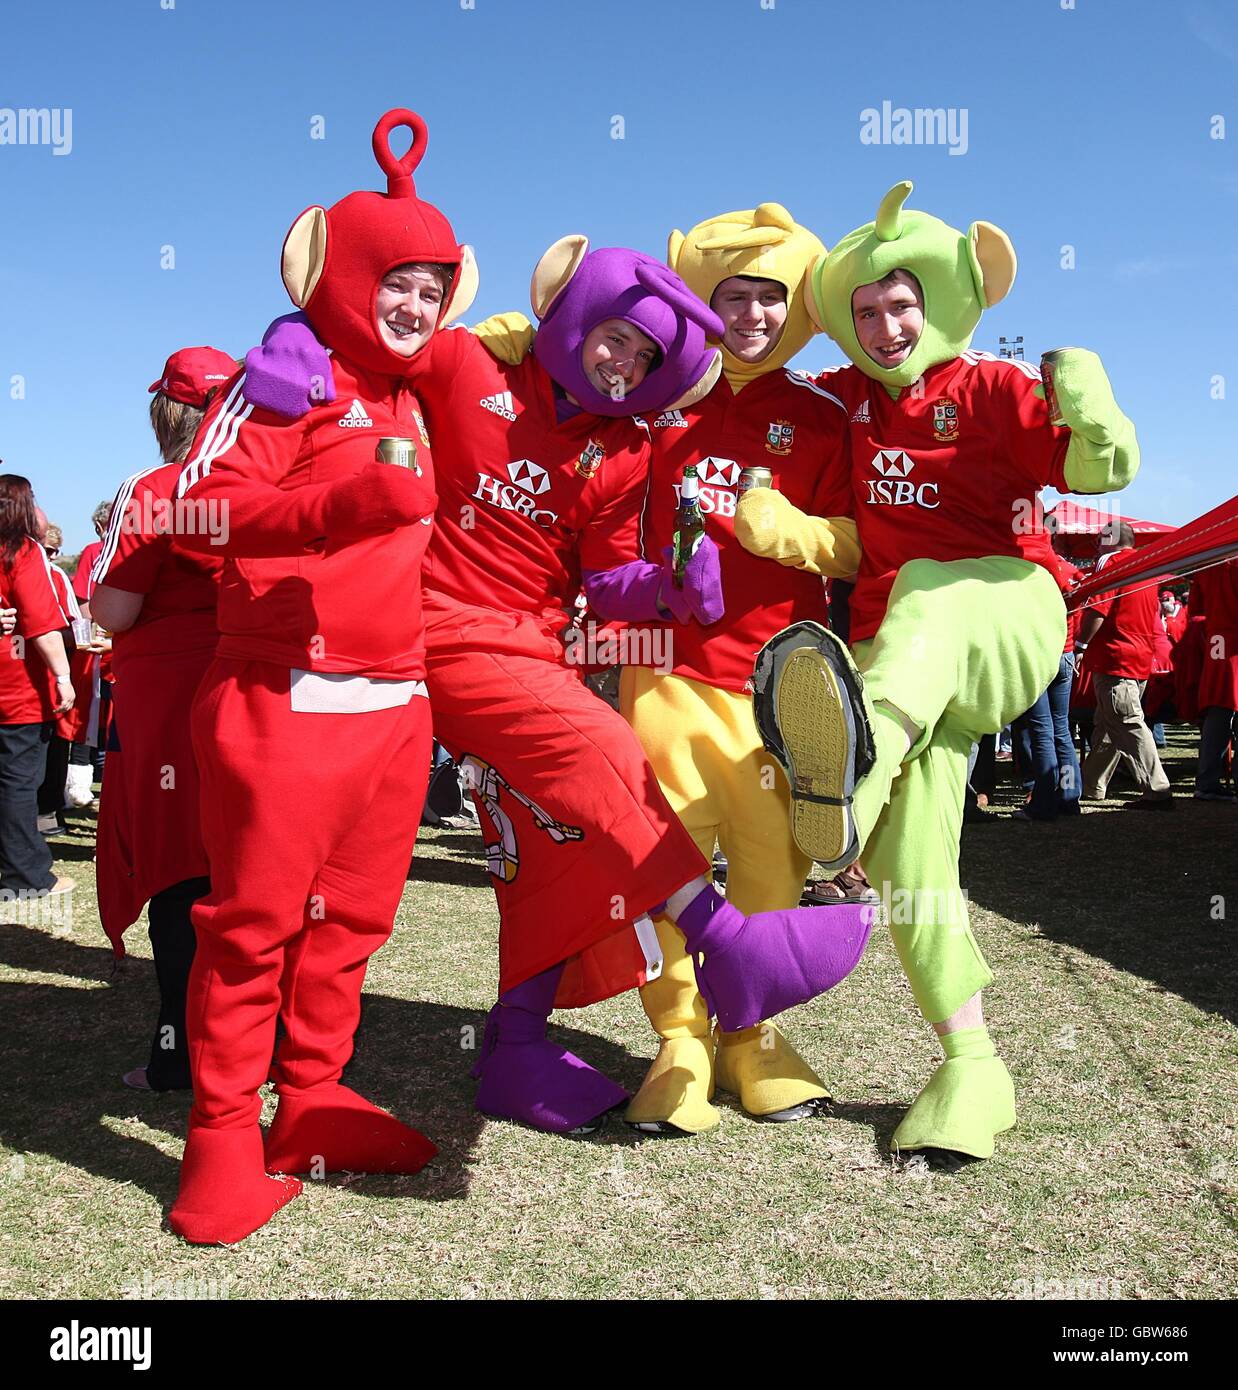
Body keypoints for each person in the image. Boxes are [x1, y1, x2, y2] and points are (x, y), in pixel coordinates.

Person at [247, 233, 876, 1138]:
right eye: (616, 337)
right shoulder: (467, 366)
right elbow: (377, 335)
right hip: (431, 627)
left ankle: (513, 1044)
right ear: (577, 317)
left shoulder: (623, 454)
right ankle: (725, 938)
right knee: (605, 751)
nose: (625, 363)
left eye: (648, 355)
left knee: (548, 846)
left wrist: (667, 585)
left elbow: (605, 578)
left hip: (532, 648)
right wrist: (294, 341)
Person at [745, 181, 1140, 1160]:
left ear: (938, 302)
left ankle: (845, 776)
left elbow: (1099, 475)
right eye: (867, 310)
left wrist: (1093, 413)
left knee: (923, 587)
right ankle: (971, 1070)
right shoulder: (843, 405)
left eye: (902, 304)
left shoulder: (989, 389)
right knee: (913, 871)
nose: (885, 325)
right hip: (911, 675)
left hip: (1005, 610)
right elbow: (759, 370)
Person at [164, 108, 479, 1245]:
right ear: (342, 276)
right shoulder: (281, 375)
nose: (414, 305)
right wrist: (335, 503)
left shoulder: (420, 392)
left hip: (395, 707)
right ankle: (215, 1143)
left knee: (350, 923)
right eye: (395, 281)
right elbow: (184, 514)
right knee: (250, 931)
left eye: (432, 288)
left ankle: (312, 1099)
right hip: (278, 700)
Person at [616, 204, 862, 1134]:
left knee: (769, 870)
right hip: (667, 675)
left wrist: (795, 535)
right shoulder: (657, 397)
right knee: (665, 865)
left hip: (778, 686)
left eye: (770, 297)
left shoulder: (825, 414)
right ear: (704, 303)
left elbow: (860, 546)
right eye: (734, 297)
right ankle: (677, 1037)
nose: (754, 314)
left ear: (795, 306)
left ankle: (752, 1037)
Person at [90, 345, 237, 1092]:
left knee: (182, 875)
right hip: (259, 691)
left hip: (171, 702)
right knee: (252, 876)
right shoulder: (269, 479)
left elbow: (112, 608)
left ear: (167, 411)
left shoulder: (153, 486)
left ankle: (179, 1059)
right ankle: (265, 1045)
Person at [0, 475, 76, 912]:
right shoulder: (20, 552)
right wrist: (63, 675)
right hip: (17, 687)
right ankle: (26, 874)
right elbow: (41, 624)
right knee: (18, 780)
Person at [1077, 523, 1172, 808]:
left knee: (1127, 724)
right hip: (1137, 658)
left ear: (1111, 539)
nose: (1096, 545)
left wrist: (1081, 645)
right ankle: (1090, 786)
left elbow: (1098, 608)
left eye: (1100, 538)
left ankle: (1157, 790)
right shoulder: (1146, 566)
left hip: (1115, 658)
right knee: (1108, 725)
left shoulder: (1110, 564)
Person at [1190, 557, 1238, 800]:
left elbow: (1195, 612)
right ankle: (1209, 782)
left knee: (1217, 715)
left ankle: (1207, 781)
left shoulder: (1207, 566)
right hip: (1232, 648)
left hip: (1215, 646)